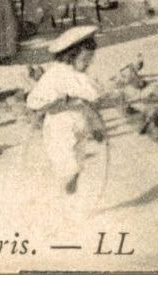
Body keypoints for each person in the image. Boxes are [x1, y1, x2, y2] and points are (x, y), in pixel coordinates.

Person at [26, 25, 108, 196]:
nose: (88, 63)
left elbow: (91, 101)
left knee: (77, 157)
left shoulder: (80, 77)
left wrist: (95, 127)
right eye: (85, 59)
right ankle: (66, 185)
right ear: (71, 56)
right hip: (60, 124)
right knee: (64, 155)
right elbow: (34, 101)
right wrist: (57, 102)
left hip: (80, 123)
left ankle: (71, 183)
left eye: (90, 59)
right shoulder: (55, 75)